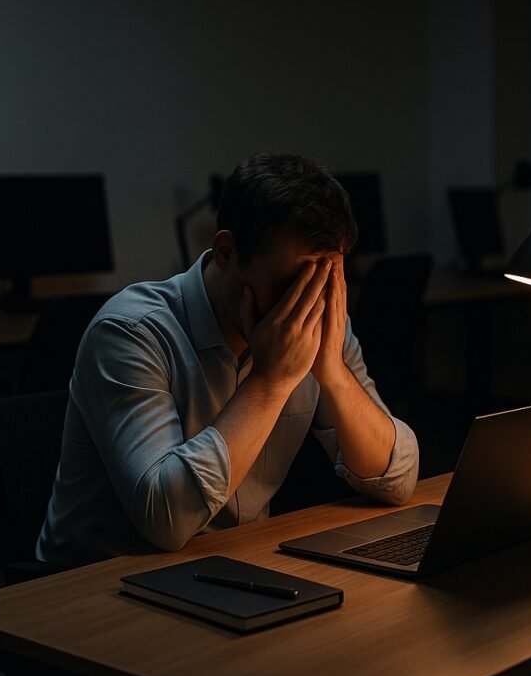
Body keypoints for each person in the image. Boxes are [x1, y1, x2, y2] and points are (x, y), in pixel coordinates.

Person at [37, 152, 419, 566]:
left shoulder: (321, 323)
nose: (306, 304)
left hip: (227, 565)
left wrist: (334, 373)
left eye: (323, 281)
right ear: (226, 252)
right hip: (94, 587)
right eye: (291, 284)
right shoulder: (130, 332)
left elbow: (396, 480)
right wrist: (270, 384)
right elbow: (166, 522)